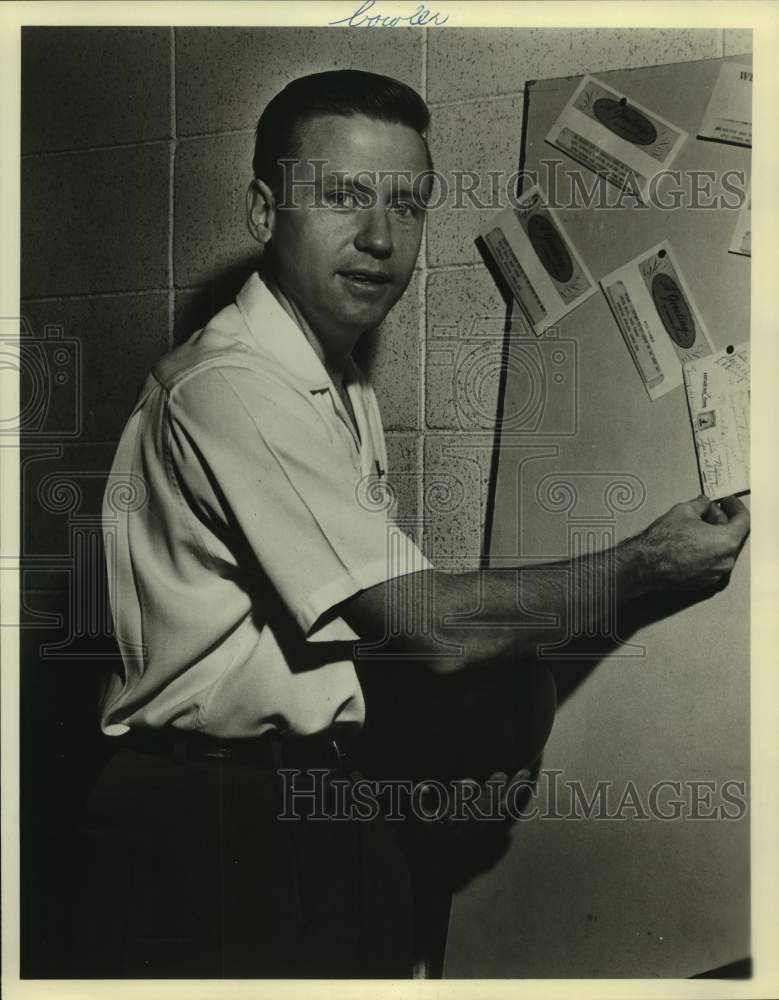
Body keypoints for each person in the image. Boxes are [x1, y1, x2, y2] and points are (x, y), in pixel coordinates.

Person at [83, 69, 750, 979]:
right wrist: (646, 563)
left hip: (307, 796)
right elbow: (434, 626)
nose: (379, 238)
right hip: (213, 819)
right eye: (343, 197)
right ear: (261, 212)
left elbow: (356, 637)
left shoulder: (336, 380)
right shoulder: (235, 387)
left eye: (407, 204)